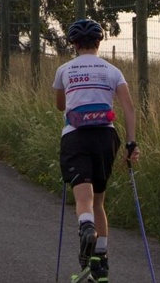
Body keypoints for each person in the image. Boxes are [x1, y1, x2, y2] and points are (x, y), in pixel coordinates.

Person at [53, 18, 139, 282]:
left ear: (74, 44)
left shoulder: (65, 69)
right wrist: (131, 144)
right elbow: (129, 108)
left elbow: (60, 105)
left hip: (76, 136)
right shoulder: (113, 71)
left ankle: (85, 227)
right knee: (99, 200)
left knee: (84, 199)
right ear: (99, 43)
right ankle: (100, 263)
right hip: (106, 137)